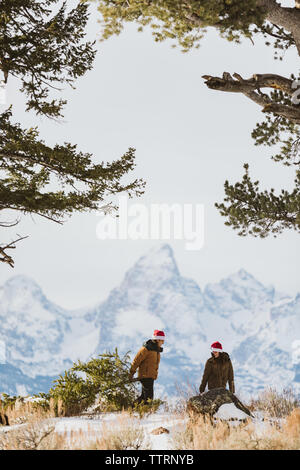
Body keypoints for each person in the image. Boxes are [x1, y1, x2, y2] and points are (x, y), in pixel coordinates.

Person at [129, 329, 165, 405]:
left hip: (150, 376)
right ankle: (143, 412)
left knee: (144, 396)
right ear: (158, 339)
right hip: (145, 375)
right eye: (162, 341)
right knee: (148, 398)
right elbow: (136, 360)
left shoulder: (156, 350)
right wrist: (131, 373)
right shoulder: (146, 349)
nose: (163, 343)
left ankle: (130, 409)